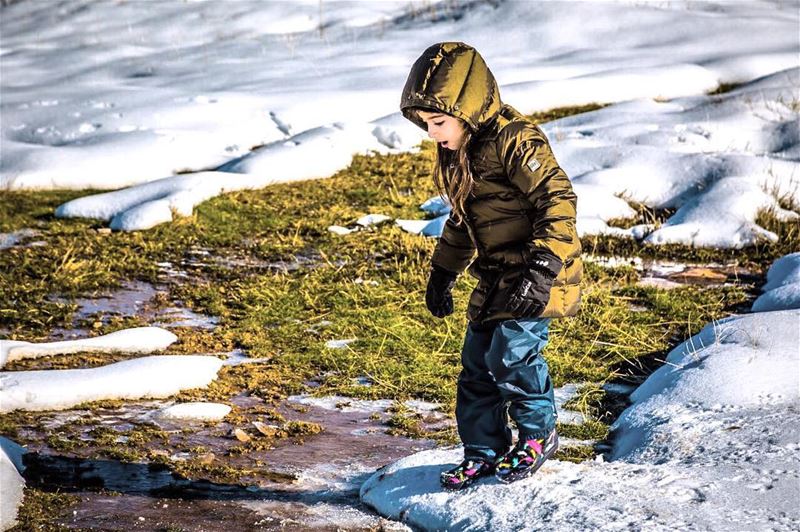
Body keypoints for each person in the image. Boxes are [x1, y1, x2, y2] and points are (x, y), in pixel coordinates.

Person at [399, 42, 583, 490]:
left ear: (466, 109)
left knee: (512, 354)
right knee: (477, 365)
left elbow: (557, 200)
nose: (432, 134)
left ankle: (539, 435)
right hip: (496, 275)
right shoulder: (460, 151)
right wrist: (443, 272)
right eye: (426, 125)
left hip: (540, 271)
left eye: (438, 122)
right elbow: (463, 221)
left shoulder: (516, 139)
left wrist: (542, 268)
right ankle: (484, 452)